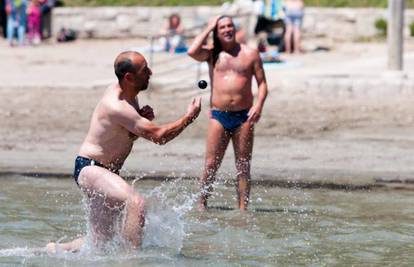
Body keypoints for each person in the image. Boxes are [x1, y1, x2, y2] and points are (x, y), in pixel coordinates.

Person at [45, 51, 201, 253]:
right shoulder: (116, 105)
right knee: (136, 202)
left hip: (105, 171)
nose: (151, 73)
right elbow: (160, 136)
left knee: (100, 243)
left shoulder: (129, 96)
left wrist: (135, 124)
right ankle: (131, 261)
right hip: (91, 168)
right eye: (145, 70)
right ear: (129, 77)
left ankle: (53, 250)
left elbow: (124, 135)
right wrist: (188, 117)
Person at [188, 16, 268, 211]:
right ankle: (202, 205)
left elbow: (262, 83)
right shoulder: (212, 54)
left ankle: (242, 209)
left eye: (230, 26)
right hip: (219, 116)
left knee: (243, 166)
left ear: (235, 28)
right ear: (217, 31)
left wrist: (259, 105)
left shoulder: (250, 53)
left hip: (244, 117)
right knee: (210, 164)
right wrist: (209, 26)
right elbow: (192, 51)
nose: (227, 30)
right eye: (222, 27)